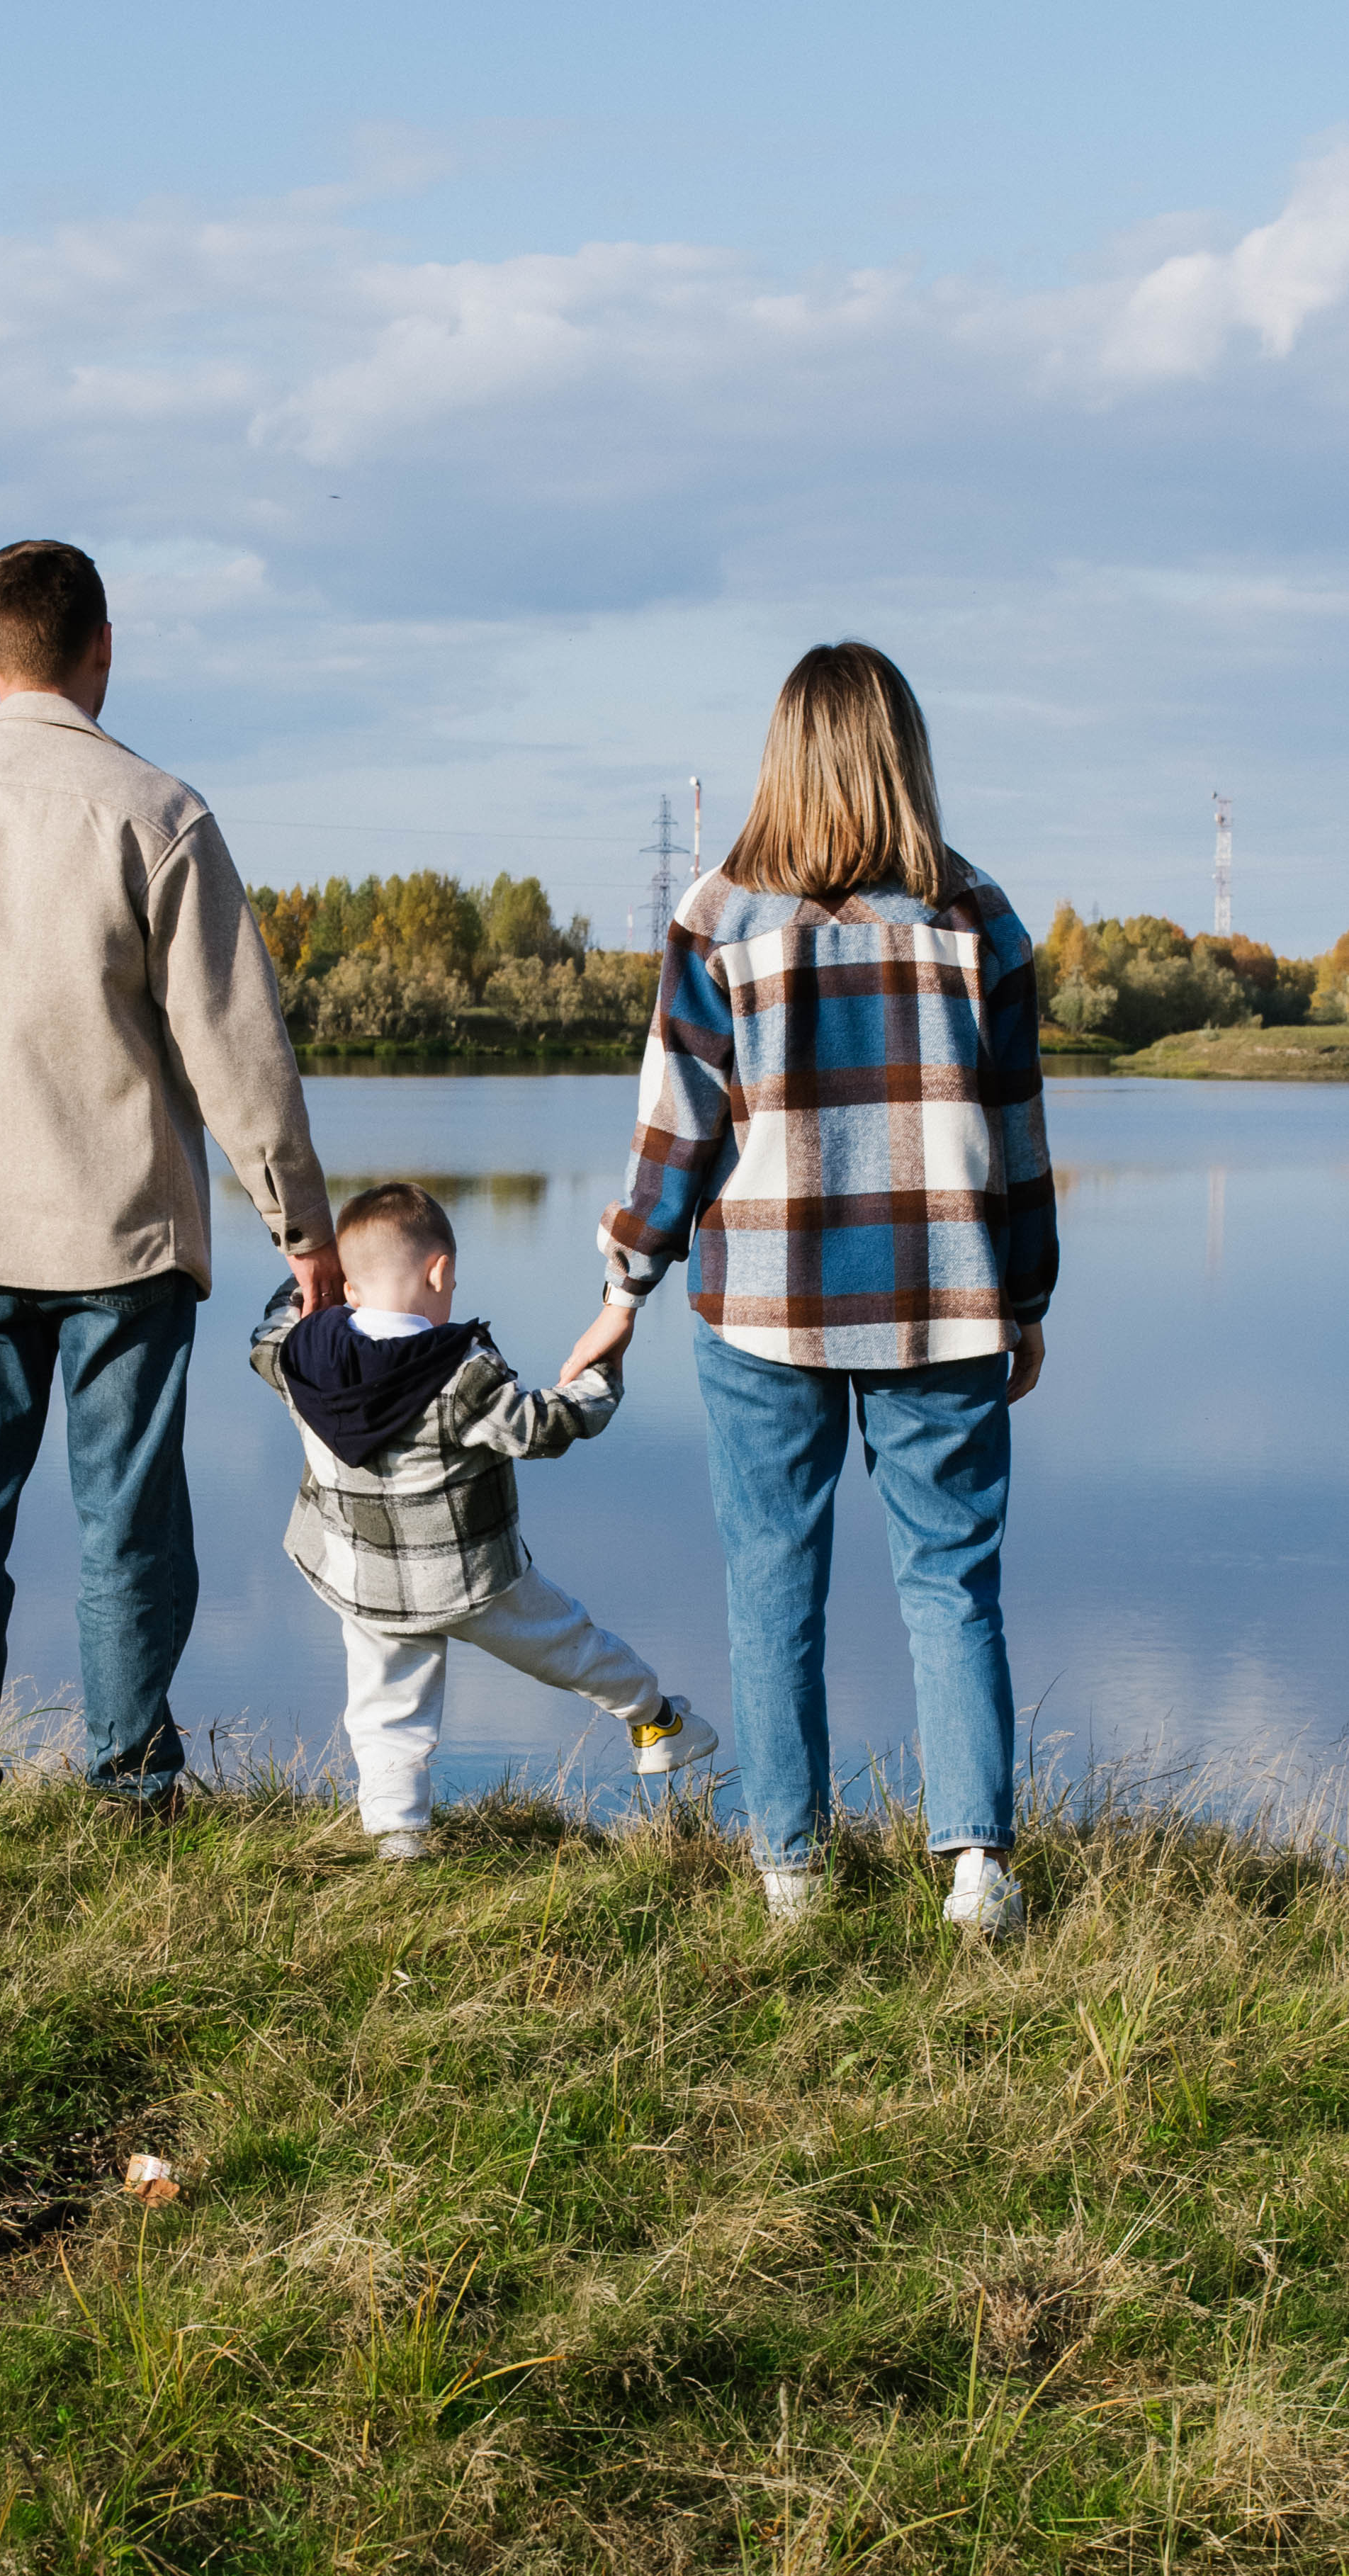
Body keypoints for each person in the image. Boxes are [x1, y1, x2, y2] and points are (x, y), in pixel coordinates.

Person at [0, 538, 342, 1810]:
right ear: (104, 649)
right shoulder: (161, 814)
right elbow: (236, 1044)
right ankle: (130, 1788)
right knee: (128, 1526)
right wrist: (302, 1226)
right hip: (121, 1236)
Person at [561, 643, 1057, 1934]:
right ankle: (976, 1873)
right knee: (952, 1581)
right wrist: (1031, 1296)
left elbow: (676, 1133)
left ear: (780, 755)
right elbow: (1017, 1134)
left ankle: (790, 1872)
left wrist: (625, 1287)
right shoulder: (977, 916)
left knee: (772, 1579)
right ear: (906, 753)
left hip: (764, 1310)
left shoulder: (716, 916)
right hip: (946, 1299)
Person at [249, 1182, 717, 1857]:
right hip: (472, 1580)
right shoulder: (459, 1374)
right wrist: (601, 1374)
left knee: (385, 1709)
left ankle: (398, 1839)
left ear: (348, 1289)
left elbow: (270, 1333)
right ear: (439, 1272)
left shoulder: (301, 1356)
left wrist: (301, 1287)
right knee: (572, 1647)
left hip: (363, 1579)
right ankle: (657, 1723)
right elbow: (545, 1427)